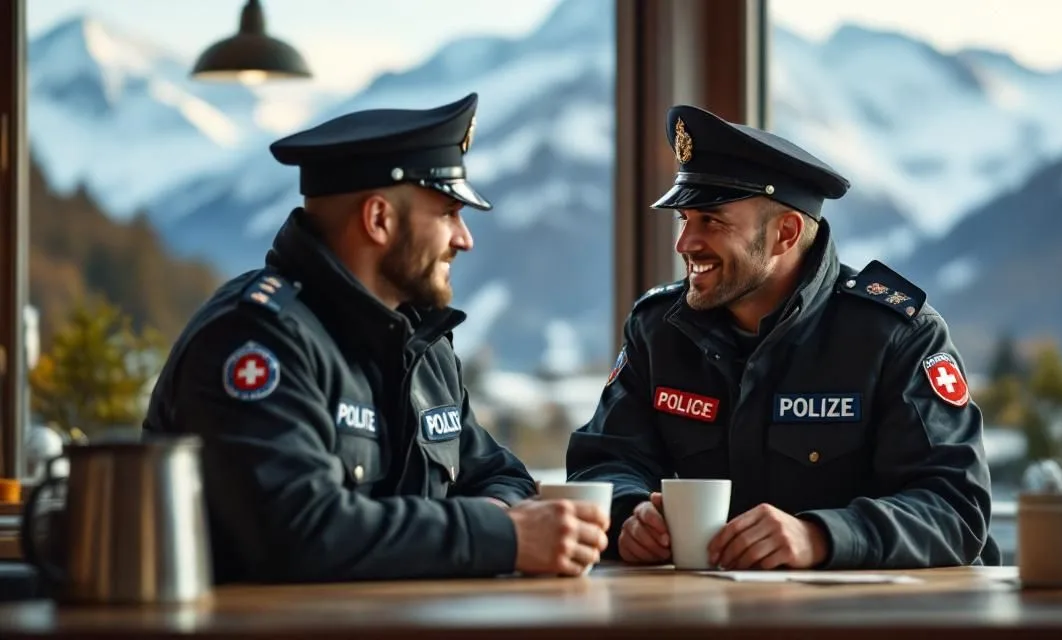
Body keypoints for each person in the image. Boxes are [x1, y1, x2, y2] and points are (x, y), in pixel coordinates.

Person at [143, 93, 608, 583]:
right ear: (379, 219)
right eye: (448, 213)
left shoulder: (423, 346)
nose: (465, 238)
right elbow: (299, 532)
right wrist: (501, 537)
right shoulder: (255, 338)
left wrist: (499, 516)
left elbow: (501, 474)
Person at [565, 104, 1000, 571]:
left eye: (711, 221)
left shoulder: (897, 336)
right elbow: (604, 460)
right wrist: (629, 514)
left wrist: (821, 538)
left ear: (785, 234)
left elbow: (955, 508)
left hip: (873, 610)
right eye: (683, 219)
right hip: (706, 604)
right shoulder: (658, 329)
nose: (684, 243)